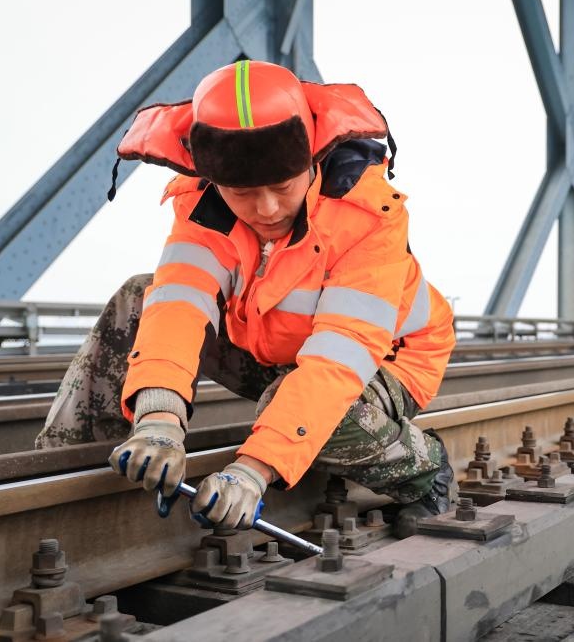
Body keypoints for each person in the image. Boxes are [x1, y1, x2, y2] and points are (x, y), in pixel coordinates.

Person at [35, 60, 456, 538]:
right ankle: (82, 470)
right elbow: (178, 307)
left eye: (283, 187)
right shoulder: (201, 207)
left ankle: (427, 474)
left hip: (387, 358)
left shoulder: (367, 219)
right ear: (215, 181)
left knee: (315, 414)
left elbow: (336, 364)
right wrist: (159, 417)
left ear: (313, 158)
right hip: (272, 347)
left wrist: (253, 470)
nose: (268, 209)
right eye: (242, 193)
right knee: (140, 296)